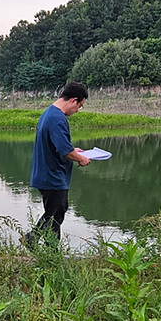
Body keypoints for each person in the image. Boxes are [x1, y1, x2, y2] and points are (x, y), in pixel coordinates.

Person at [26, 81, 92, 247]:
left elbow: (59, 145)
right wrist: (80, 158)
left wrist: (73, 149)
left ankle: (50, 252)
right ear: (73, 100)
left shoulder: (50, 113)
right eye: (80, 106)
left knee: (54, 214)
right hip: (52, 175)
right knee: (55, 214)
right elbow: (64, 151)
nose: (77, 110)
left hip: (47, 174)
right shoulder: (57, 118)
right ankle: (32, 240)